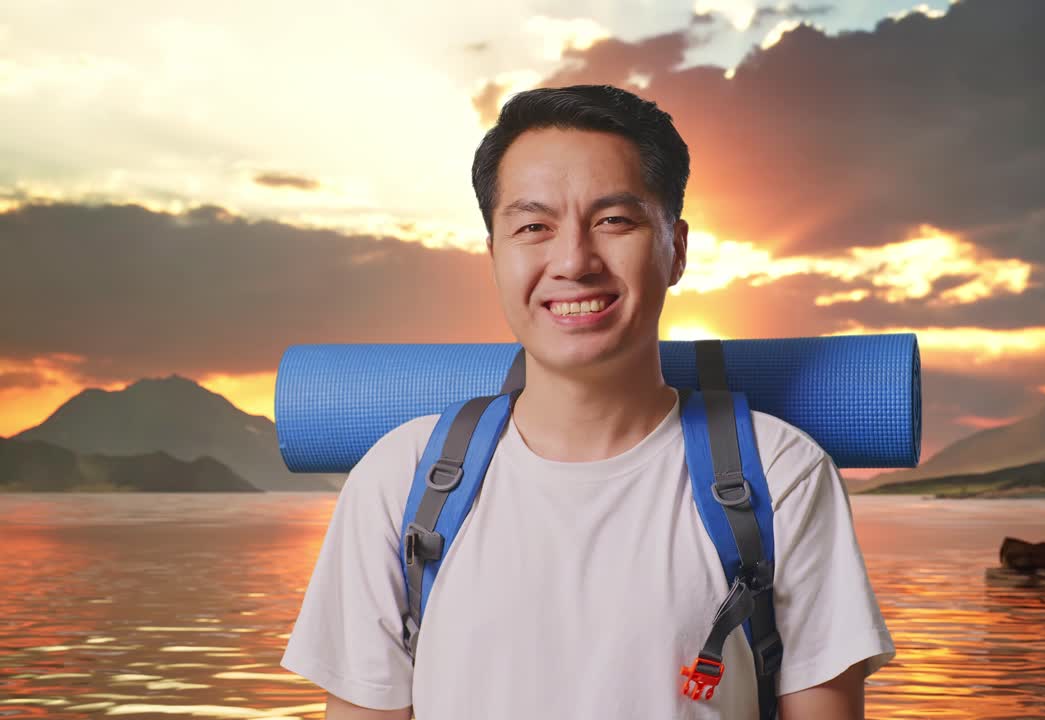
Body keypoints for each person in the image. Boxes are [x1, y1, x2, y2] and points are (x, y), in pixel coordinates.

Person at [280, 83, 896, 719]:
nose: (573, 260)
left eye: (614, 221)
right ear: (494, 256)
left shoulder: (781, 473)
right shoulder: (398, 480)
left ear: (676, 249)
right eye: (533, 227)